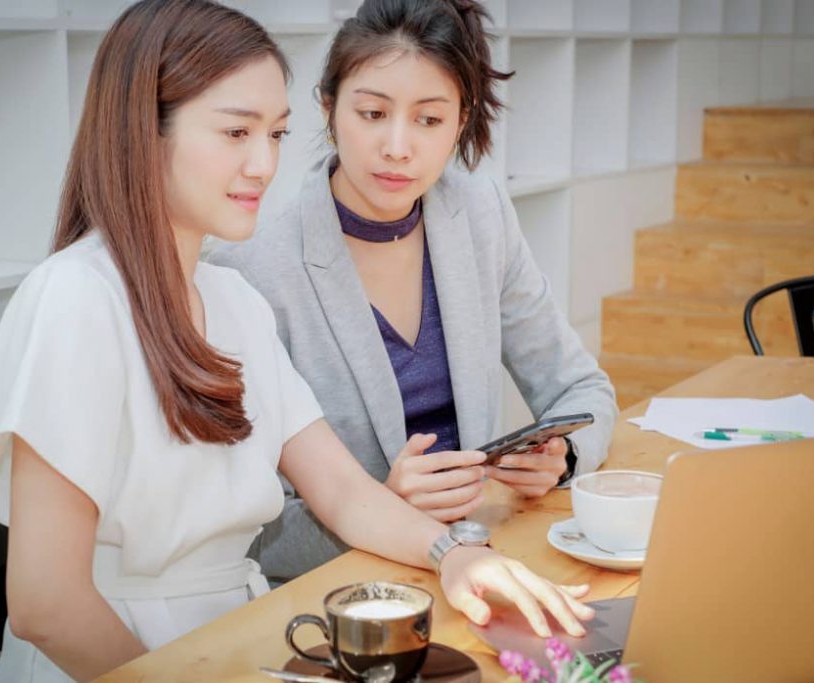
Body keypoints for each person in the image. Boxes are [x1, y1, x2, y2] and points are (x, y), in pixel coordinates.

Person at [0, 1, 594, 681]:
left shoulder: (233, 303)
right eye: (236, 132)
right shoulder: (75, 297)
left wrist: (458, 554)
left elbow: (345, 493)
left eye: (275, 134)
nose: (264, 164)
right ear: (142, 132)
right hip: (121, 659)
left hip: (243, 636)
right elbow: (45, 605)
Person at [209, 0, 618, 584]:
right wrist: (382, 506)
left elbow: (582, 388)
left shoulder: (480, 211)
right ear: (328, 108)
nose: (398, 147)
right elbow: (251, 538)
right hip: (345, 594)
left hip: (484, 554)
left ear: (461, 120)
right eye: (373, 113)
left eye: (429, 120)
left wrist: (563, 458)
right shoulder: (251, 266)